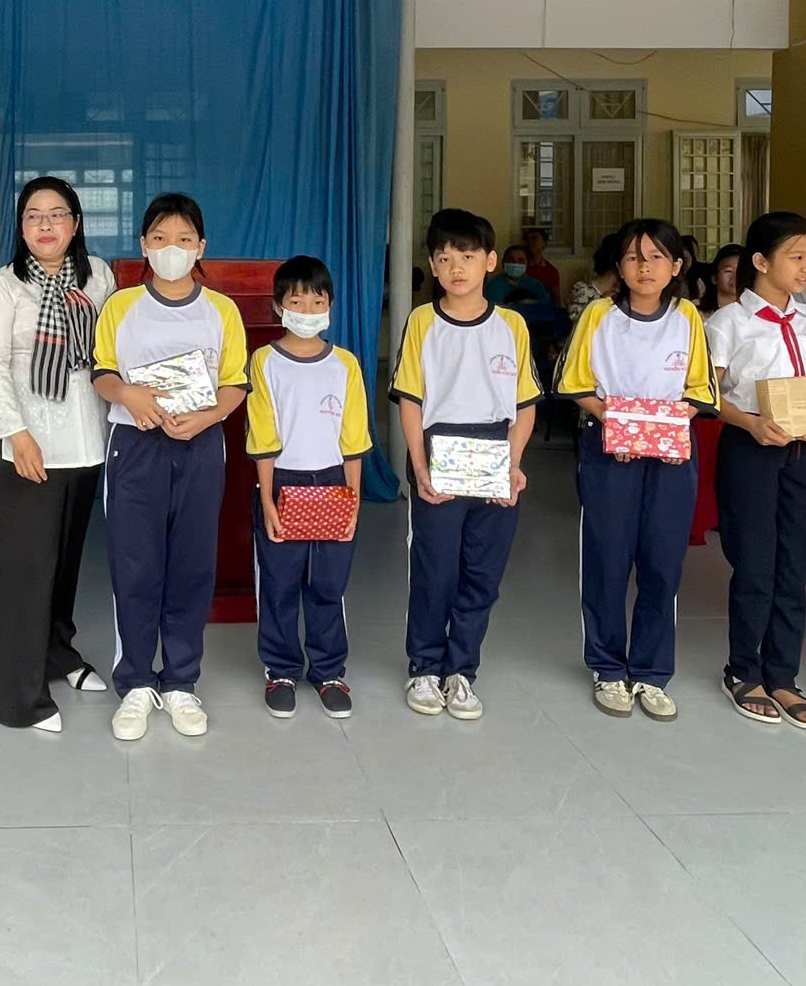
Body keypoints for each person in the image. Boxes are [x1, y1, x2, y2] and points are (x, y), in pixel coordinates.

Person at [93, 192, 249, 741]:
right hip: (135, 447)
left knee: (191, 565)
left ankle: (181, 681)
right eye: (160, 239)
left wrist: (207, 417)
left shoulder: (222, 310)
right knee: (135, 565)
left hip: (200, 447)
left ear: (201, 247)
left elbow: (235, 383)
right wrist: (128, 395)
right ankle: (136, 682)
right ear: (144, 245)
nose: (172, 249)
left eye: (184, 240)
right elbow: (102, 373)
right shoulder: (121, 306)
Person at [560, 220, 716, 722]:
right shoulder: (599, 315)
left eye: (655, 257)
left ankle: (651, 671)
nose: (644, 267)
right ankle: (608, 667)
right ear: (619, 266)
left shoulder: (688, 317)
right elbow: (574, 381)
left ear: (676, 266)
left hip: (671, 454)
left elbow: (700, 390)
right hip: (609, 450)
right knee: (607, 558)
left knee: (662, 562)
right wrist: (621, 426)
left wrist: (659, 430)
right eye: (632, 257)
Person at [392, 208, 540, 723]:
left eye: (468, 256)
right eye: (444, 257)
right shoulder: (422, 322)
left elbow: (524, 404)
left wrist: (513, 463)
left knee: (483, 571)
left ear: (490, 262)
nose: (456, 267)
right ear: (433, 266)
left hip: (495, 449)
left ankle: (462, 670)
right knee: (435, 568)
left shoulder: (512, 325)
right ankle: (424, 667)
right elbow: (411, 399)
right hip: (440, 449)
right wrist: (419, 466)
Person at [0, 177, 116, 732]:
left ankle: (59, 653)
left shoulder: (98, 275)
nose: (45, 225)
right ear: (21, 227)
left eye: (57, 214)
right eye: (33, 215)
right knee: (26, 571)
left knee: (65, 560)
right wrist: (17, 435)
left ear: (75, 223)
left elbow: (108, 351)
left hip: (87, 436)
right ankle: (21, 698)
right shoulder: (5, 285)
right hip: (32, 441)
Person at [705, 212, 806, 730]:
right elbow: (706, 393)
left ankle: (783, 674)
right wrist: (750, 422)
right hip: (751, 448)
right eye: (796, 257)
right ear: (761, 261)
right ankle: (744, 671)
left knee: (796, 565)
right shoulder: (728, 323)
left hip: (804, 452)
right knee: (756, 563)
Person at [244, 254, 372, 721]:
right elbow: (262, 435)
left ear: (330, 305)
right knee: (279, 583)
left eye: (317, 301)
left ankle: (329, 670)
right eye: (296, 301)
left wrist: (353, 501)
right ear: (279, 306)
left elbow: (354, 438)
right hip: (283, 482)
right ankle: (280, 670)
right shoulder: (265, 361)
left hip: (334, 482)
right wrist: (267, 498)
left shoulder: (345, 364)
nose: (307, 309)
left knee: (328, 583)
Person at [483, 244, 554, 308]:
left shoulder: (536, 285)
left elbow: (546, 310)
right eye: (511, 260)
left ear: (527, 264)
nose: (515, 263)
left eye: (521, 261)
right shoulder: (494, 286)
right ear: (503, 262)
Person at [520, 227, 565, 300]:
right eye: (527, 239)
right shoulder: (518, 267)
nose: (530, 241)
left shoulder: (551, 271)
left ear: (544, 243)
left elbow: (556, 301)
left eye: (534, 238)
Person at [708, 244, 747, 312]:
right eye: (728, 271)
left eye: (741, 270)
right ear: (714, 278)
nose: (736, 276)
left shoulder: (756, 310)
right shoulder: (695, 311)